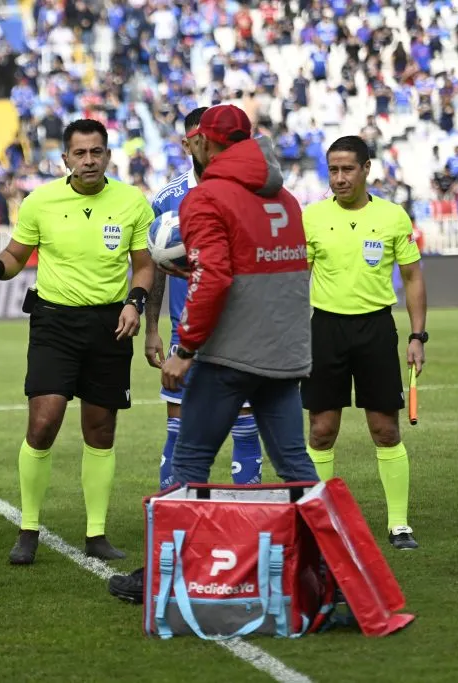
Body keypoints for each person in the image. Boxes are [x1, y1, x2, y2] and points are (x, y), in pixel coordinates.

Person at [108, 104, 319, 603]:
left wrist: (184, 348)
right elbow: (279, 271)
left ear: (205, 143)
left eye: (194, 140)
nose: (189, 147)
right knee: (295, 463)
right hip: (284, 352)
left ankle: (167, 574)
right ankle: (324, 566)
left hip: (229, 356)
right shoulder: (286, 198)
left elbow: (216, 277)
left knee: (190, 462)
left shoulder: (206, 198)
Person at [0, 118, 155, 565]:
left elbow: (143, 265)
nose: (89, 160)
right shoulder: (41, 201)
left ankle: (96, 533)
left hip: (111, 324)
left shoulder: (131, 203)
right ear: (65, 159)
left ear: (108, 155)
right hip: (55, 324)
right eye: (80, 153)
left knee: (101, 429)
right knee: (43, 423)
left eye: (97, 152)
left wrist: (134, 303)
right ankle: (28, 529)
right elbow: (14, 256)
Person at [300, 135, 428, 551]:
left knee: (385, 428)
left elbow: (412, 277)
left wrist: (417, 335)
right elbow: (296, 280)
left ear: (366, 168)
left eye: (347, 169)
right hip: (325, 330)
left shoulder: (392, 217)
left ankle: (398, 525)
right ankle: (319, 525)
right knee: (321, 430)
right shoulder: (312, 217)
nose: (339, 178)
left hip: (375, 330)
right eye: (333, 170)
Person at [146, 106, 263, 491]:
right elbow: (156, 270)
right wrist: (152, 329)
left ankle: (247, 524)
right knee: (179, 432)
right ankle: (173, 523)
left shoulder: (252, 192)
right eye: (200, 138)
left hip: (241, 331)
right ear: (188, 143)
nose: (209, 145)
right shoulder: (168, 199)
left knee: (245, 430)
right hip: (186, 334)